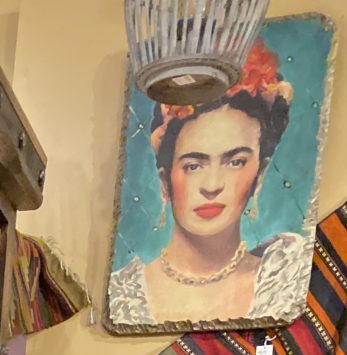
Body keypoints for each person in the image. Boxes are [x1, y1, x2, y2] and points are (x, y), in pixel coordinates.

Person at [109, 40, 309, 327]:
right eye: (193, 165)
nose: (212, 185)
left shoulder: (283, 277)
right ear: (166, 181)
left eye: (235, 161)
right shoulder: (124, 296)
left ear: (259, 174)